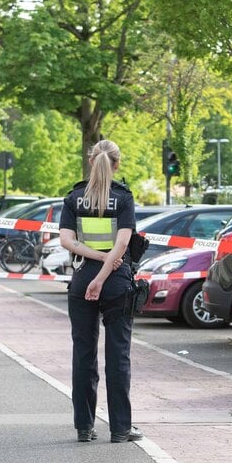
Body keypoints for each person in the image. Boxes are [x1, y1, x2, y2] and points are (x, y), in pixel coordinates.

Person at [58, 139, 142, 444]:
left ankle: (84, 427)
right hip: (116, 281)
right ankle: (120, 429)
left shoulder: (74, 198)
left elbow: (66, 241)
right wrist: (105, 270)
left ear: (91, 161)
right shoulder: (124, 198)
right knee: (118, 355)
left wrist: (93, 269)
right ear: (116, 164)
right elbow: (122, 245)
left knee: (83, 354)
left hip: (82, 278)